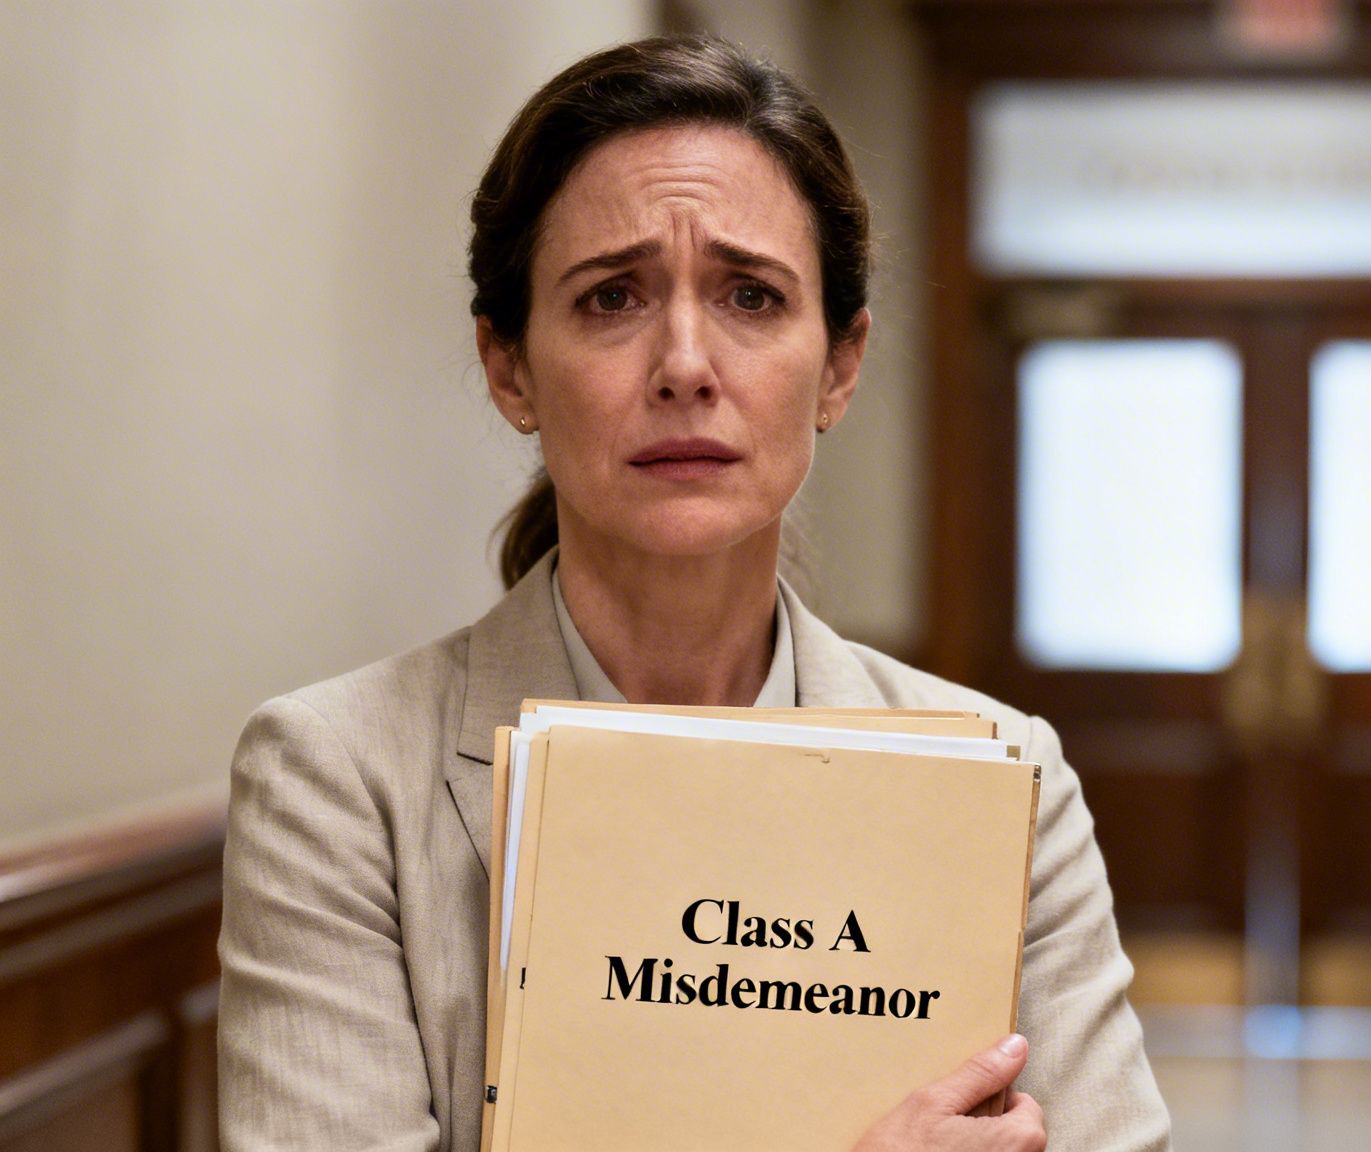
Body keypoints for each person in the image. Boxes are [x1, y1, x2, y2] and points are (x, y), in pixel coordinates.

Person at [216, 34, 1171, 1152]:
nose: (683, 362)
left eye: (751, 297)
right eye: (612, 296)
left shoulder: (1006, 779)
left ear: (840, 364)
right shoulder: (337, 777)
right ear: (508, 364)